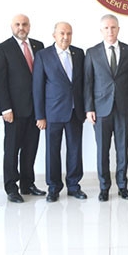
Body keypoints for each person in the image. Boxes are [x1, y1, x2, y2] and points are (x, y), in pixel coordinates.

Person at [84, 14, 128, 202]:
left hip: (124, 107)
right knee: (103, 150)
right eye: (106, 28)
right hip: (101, 109)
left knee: (122, 149)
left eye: (113, 27)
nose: (110, 31)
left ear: (118, 29)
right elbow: (88, 82)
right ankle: (104, 187)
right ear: (101, 30)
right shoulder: (92, 52)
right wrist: (89, 108)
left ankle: (123, 186)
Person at [0, 14, 46, 204]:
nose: (21, 27)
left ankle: (27, 184)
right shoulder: (2, 48)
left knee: (31, 148)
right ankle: (11, 187)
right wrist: (5, 108)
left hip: (35, 109)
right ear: (12, 26)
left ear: (29, 26)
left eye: (24, 24)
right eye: (17, 24)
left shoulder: (39, 46)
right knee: (12, 150)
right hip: (13, 110)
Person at [33, 22, 87, 202]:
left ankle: (74, 185)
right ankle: (53, 187)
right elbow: (37, 87)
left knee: (75, 150)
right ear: (54, 35)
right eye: (62, 33)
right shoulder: (43, 55)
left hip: (75, 112)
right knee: (52, 151)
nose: (65, 37)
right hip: (52, 113)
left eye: (69, 33)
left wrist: (85, 109)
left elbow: (83, 83)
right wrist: (40, 115)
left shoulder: (79, 53)